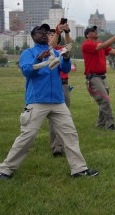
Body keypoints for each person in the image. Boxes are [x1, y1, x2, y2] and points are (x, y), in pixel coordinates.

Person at [0, 23, 98, 179]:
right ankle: (5, 169)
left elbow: (64, 69)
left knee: (70, 134)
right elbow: (26, 71)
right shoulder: (28, 53)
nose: (44, 34)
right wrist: (38, 58)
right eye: (40, 32)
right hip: (37, 101)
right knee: (27, 137)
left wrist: (65, 58)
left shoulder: (54, 52)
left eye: (46, 32)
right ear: (33, 36)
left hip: (58, 101)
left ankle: (79, 169)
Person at [81, 25, 115, 131]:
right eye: (92, 31)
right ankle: (110, 125)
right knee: (105, 100)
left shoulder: (100, 45)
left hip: (102, 77)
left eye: (95, 30)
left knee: (103, 101)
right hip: (93, 77)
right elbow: (103, 45)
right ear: (87, 35)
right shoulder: (87, 45)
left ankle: (100, 124)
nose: (95, 32)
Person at [48, 23, 73, 157]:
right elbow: (49, 47)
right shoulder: (46, 51)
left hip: (63, 85)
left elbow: (69, 47)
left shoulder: (61, 50)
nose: (51, 36)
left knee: (63, 115)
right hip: (51, 85)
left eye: (53, 34)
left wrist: (67, 32)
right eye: (50, 34)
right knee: (53, 117)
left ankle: (59, 144)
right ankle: (56, 145)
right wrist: (58, 32)